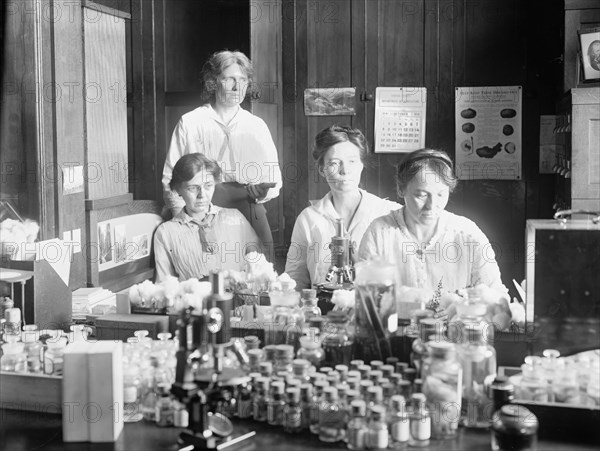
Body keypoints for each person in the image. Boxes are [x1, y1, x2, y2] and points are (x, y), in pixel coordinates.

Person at [162, 50, 282, 249]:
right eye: (230, 79)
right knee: (207, 269)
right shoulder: (191, 122)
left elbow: (274, 177)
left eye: (243, 80)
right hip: (200, 205)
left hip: (248, 205)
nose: (238, 87)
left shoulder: (256, 125)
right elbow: (170, 178)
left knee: (261, 266)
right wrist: (183, 220)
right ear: (213, 81)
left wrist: (262, 192)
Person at [358, 148, 507, 293]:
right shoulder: (380, 232)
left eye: (441, 195)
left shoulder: (466, 233)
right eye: (422, 195)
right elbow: (364, 294)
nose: (431, 205)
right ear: (401, 189)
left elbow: (496, 293)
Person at [285, 125, 401, 290]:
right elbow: (295, 280)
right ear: (322, 170)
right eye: (334, 163)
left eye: (352, 161)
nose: (345, 170)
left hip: (374, 311)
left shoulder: (388, 213)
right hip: (324, 311)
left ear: (361, 165)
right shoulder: (309, 219)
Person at [154, 153, 261, 282]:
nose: (202, 195)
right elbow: (164, 287)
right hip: (193, 300)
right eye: (193, 188)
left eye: (208, 185)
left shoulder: (235, 218)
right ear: (178, 190)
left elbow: (260, 269)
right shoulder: (166, 233)